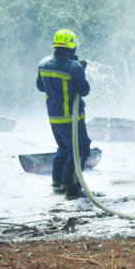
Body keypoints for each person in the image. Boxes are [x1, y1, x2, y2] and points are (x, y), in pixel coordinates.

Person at [36, 28, 91, 199]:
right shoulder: (73, 67)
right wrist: (81, 70)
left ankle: (58, 183)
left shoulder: (44, 63)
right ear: (71, 46)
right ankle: (72, 187)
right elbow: (84, 89)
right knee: (80, 150)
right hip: (72, 118)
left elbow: (41, 86)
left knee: (64, 148)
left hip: (54, 117)